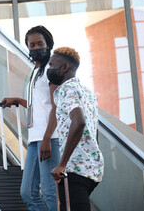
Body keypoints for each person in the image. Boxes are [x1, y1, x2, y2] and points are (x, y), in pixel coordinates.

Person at [1, 25, 60, 211]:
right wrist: (18, 100)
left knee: (50, 193)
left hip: (48, 138)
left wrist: (47, 138)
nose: (36, 48)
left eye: (40, 43)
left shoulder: (51, 69)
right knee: (27, 192)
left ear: (48, 44)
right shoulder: (35, 71)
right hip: (35, 138)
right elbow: (40, 103)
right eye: (32, 45)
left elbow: (56, 106)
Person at [48, 47, 104, 211]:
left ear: (64, 67)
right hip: (92, 169)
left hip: (74, 168)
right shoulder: (88, 94)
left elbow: (79, 122)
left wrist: (62, 164)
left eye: (52, 65)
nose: (49, 69)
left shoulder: (67, 89)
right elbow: (95, 131)